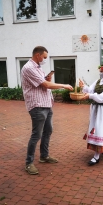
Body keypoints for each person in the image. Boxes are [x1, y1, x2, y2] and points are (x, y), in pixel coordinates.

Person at [21, 46, 73, 175]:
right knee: (36, 135)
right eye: (44, 57)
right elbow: (45, 85)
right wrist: (63, 85)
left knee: (48, 131)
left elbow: (43, 82)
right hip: (37, 106)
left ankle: (44, 156)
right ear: (37, 55)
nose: (45, 60)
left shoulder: (37, 67)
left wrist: (46, 78)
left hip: (46, 104)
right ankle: (29, 163)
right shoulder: (29, 68)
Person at [79, 64, 103, 166]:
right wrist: (84, 87)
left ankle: (96, 156)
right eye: (100, 71)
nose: (101, 73)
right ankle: (102, 148)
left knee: (100, 130)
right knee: (94, 128)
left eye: (102, 71)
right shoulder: (98, 81)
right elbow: (90, 89)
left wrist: (90, 96)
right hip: (95, 108)